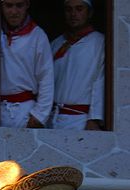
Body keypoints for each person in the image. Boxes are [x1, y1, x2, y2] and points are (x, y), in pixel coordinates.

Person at [51, 0, 105, 130]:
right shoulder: (56, 44)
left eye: (79, 9)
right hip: (53, 118)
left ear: (89, 13)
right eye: (69, 9)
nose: (73, 14)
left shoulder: (100, 42)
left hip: (81, 120)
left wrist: (94, 118)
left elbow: (101, 80)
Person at [0, 0, 54, 128]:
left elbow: (46, 77)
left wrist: (39, 115)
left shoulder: (38, 36)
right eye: (8, 6)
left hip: (25, 112)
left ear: (27, 5)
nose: (14, 11)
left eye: (19, 5)